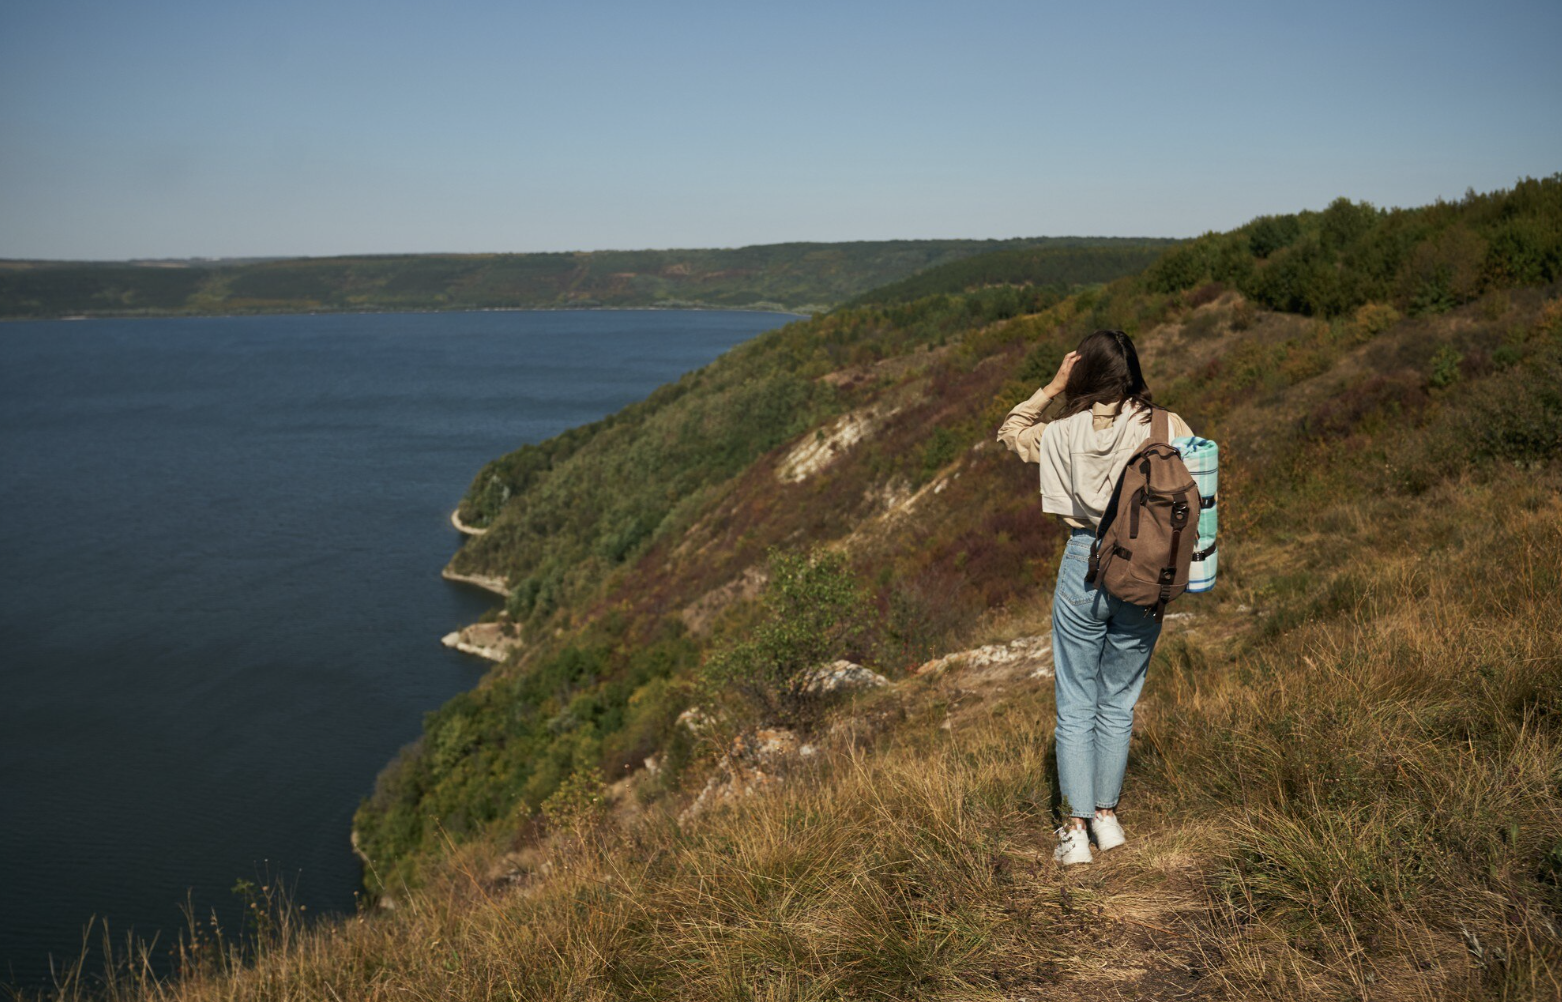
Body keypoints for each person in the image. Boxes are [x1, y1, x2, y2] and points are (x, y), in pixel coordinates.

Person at [994, 329, 1194, 866]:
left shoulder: (1060, 433)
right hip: (1146, 568)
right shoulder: (1165, 426)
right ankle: (1107, 818)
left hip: (1084, 566)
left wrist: (1053, 387)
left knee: (1076, 700)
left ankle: (1075, 830)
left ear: (1083, 375)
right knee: (1119, 699)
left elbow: (1011, 429)